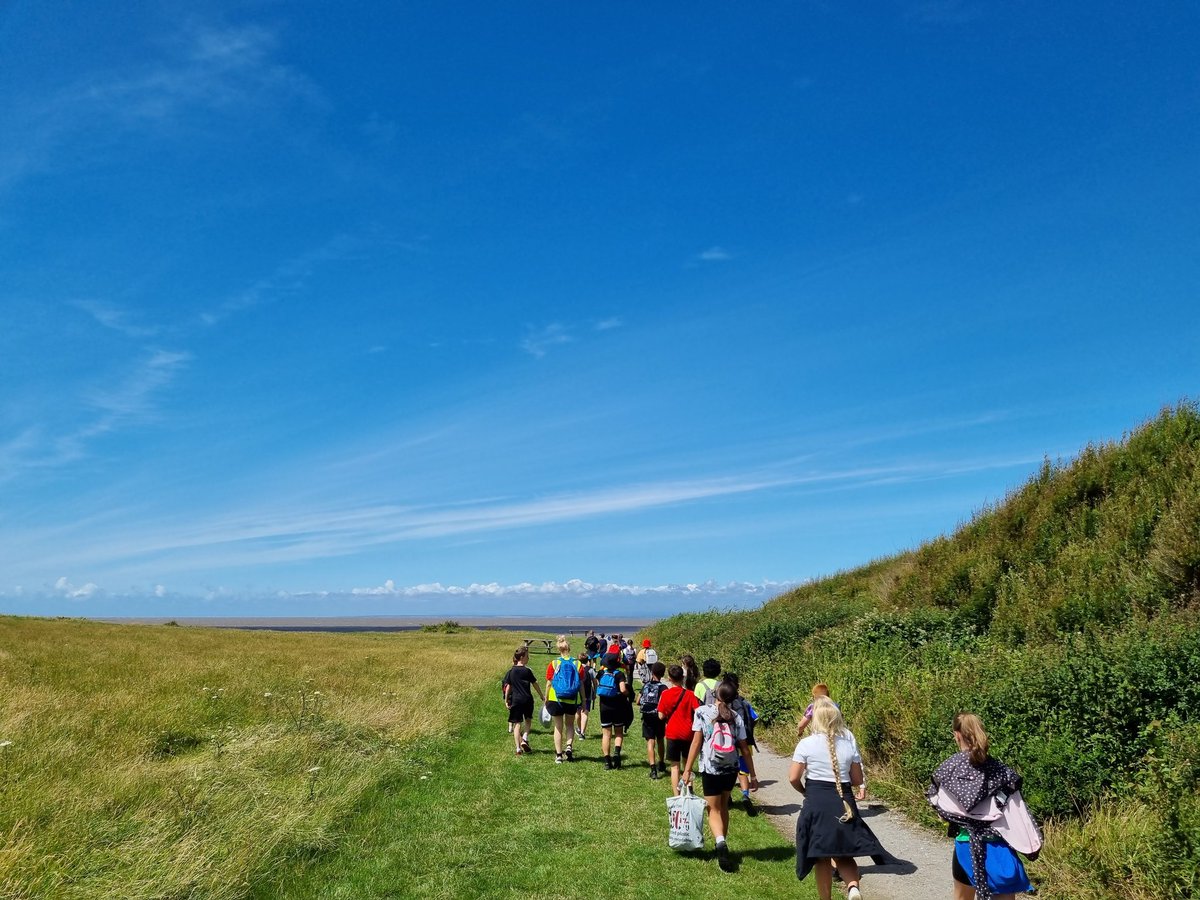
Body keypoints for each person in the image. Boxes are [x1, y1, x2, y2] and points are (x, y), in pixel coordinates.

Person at [928, 713, 1041, 900]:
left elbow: (941, 808)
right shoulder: (1000, 769)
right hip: (1000, 845)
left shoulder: (949, 768)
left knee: (962, 897)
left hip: (966, 844)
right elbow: (1016, 810)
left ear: (956, 734)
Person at [790, 698, 891, 900]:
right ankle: (853, 887)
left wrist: (804, 791)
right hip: (844, 802)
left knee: (821, 857)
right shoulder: (847, 745)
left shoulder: (806, 744)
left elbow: (793, 777)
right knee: (844, 853)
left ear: (815, 720)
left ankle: (825, 898)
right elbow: (857, 779)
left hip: (817, 801)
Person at [682, 681, 759, 873]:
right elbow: (744, 749)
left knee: (713, 810)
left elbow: (696, 743)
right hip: (731, 767)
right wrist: (753, 775)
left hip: (711, 767)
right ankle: (722, 843)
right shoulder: (736, 717)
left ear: (715, 693)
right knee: (724, 806)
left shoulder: (702, 712)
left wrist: (687, 769)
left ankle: (720, 842)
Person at [658, 664, 701, 795]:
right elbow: (698, 711)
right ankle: (689, 791)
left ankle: (676, 796)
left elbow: (661, 716)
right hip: (688, 733)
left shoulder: (665, 694)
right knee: (687, 765)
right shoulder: (690, 694)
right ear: (682, 678)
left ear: (669, 678)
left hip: (672, 733)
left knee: (674, 766)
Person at [722, 673, 760, 816]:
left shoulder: (723, 703)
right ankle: (745, 795)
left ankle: (729, 797)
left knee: (728, 769)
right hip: (745, 741)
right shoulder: (744, 703)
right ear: (737, 686)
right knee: (743, 771)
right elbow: (755, 718)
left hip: (728, 741)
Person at [545, 635, 584, 764]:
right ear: (569, 648)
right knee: (569, 725)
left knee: (558, 727)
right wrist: (583, 700)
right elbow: (581, 684)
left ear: (559, 649)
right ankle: (569, 746)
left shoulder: (554, 663)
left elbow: (549, 683)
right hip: (571, 699)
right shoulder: (577, 663)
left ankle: (558, 755)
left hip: (555, 698)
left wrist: (546, 698)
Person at [502, 646, 545, 755]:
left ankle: (518, 749)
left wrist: (506, 700)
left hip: (516, 700)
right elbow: (535, 684)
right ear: (522, 657)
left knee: (517, 724)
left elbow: (508, 687)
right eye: (527, 656)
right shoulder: (527, 671)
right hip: (527, 699)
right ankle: (525, 737)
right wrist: (541, 695)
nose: (528, 658)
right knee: (528, 720)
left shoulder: (511, 671)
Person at [596, 652, 630, 769]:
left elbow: (597, 686)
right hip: (617, 706)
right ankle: (616, 752)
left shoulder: (601, 673)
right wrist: (627, 693)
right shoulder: (619, 674)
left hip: (604, 706)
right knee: (619, 732)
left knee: (606, 734)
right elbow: (623, 689)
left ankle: (607, 761)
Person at [639, 661, 668, 779]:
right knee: (660, 739)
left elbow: (637, 701)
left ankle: (653, 769)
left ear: (652, 672)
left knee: (650, 742)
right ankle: (661, 762)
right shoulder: (663, 687)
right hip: (658, 716)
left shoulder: (645, 685)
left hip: (647, 716)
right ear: (662, 674)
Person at [575, 650, 595, 740]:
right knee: (585, 712)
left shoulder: (576, 669)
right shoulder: (590, 670)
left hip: (577, 693)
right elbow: (595, 682)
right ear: (587, 660)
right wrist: (595, 692)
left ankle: (579, 729)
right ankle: (582, 733)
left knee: (578, 712)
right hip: (587, 693)